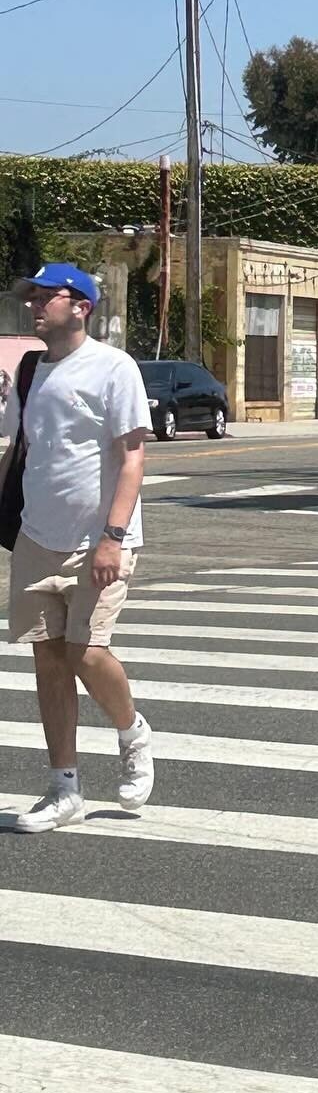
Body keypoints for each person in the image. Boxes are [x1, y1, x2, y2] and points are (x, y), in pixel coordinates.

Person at [0, 263, 155, 832]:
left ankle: (131, 731)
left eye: (48, 296)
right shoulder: (29, 370)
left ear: (81, 306)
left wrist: (112, 537)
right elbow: (16, 450)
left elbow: (133, 458)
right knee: (47, 661)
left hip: (98, 541)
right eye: (32, 297)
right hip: (36, 537)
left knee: (85, 652)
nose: (35, 305)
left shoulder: (114, 367)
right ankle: (63, 787)